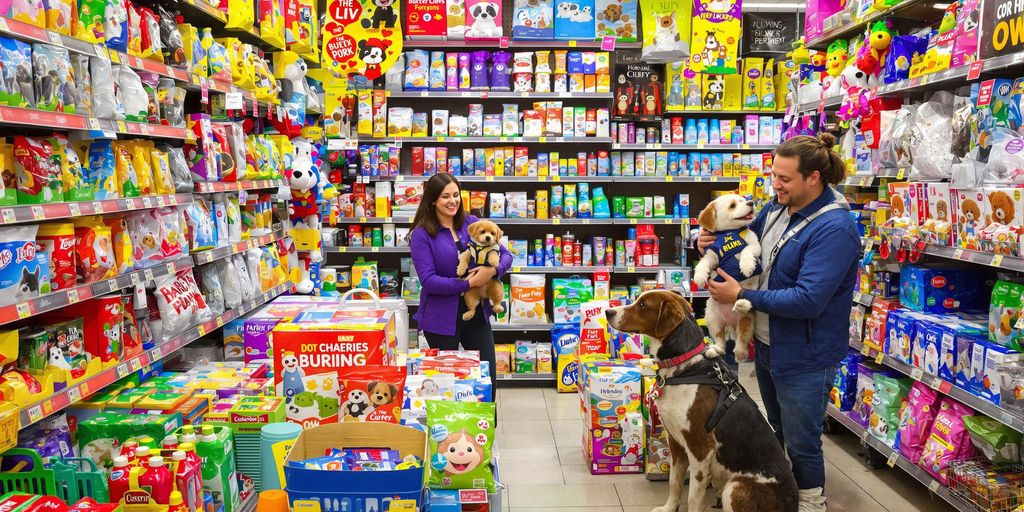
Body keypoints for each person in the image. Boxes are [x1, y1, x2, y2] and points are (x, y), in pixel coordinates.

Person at [700, 133, 860, 512]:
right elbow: (740, 245)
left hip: (806, 351)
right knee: (779, 427)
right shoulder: (776, 209)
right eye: (774, 175)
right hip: (770, 342)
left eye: (785, 179)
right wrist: (708, 241)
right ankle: (782, 495)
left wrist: (743, 296)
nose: (775, 185)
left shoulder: (833, 229)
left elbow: (809, 299)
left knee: (803, 439)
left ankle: (810, 502)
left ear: (814, 178)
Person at [410, 174, 511, 396]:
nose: (452, 201)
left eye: (455, 195)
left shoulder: (472, 223)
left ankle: (484, 429)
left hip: (476, 315)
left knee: (486, 379)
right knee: (447, 384)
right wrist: (468, 283)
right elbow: (428, 281)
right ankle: (449, 430)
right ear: (433, 200)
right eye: (445, 196)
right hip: (441, 318)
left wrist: (492, 271)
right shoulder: (421, 235)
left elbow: (506, 255)